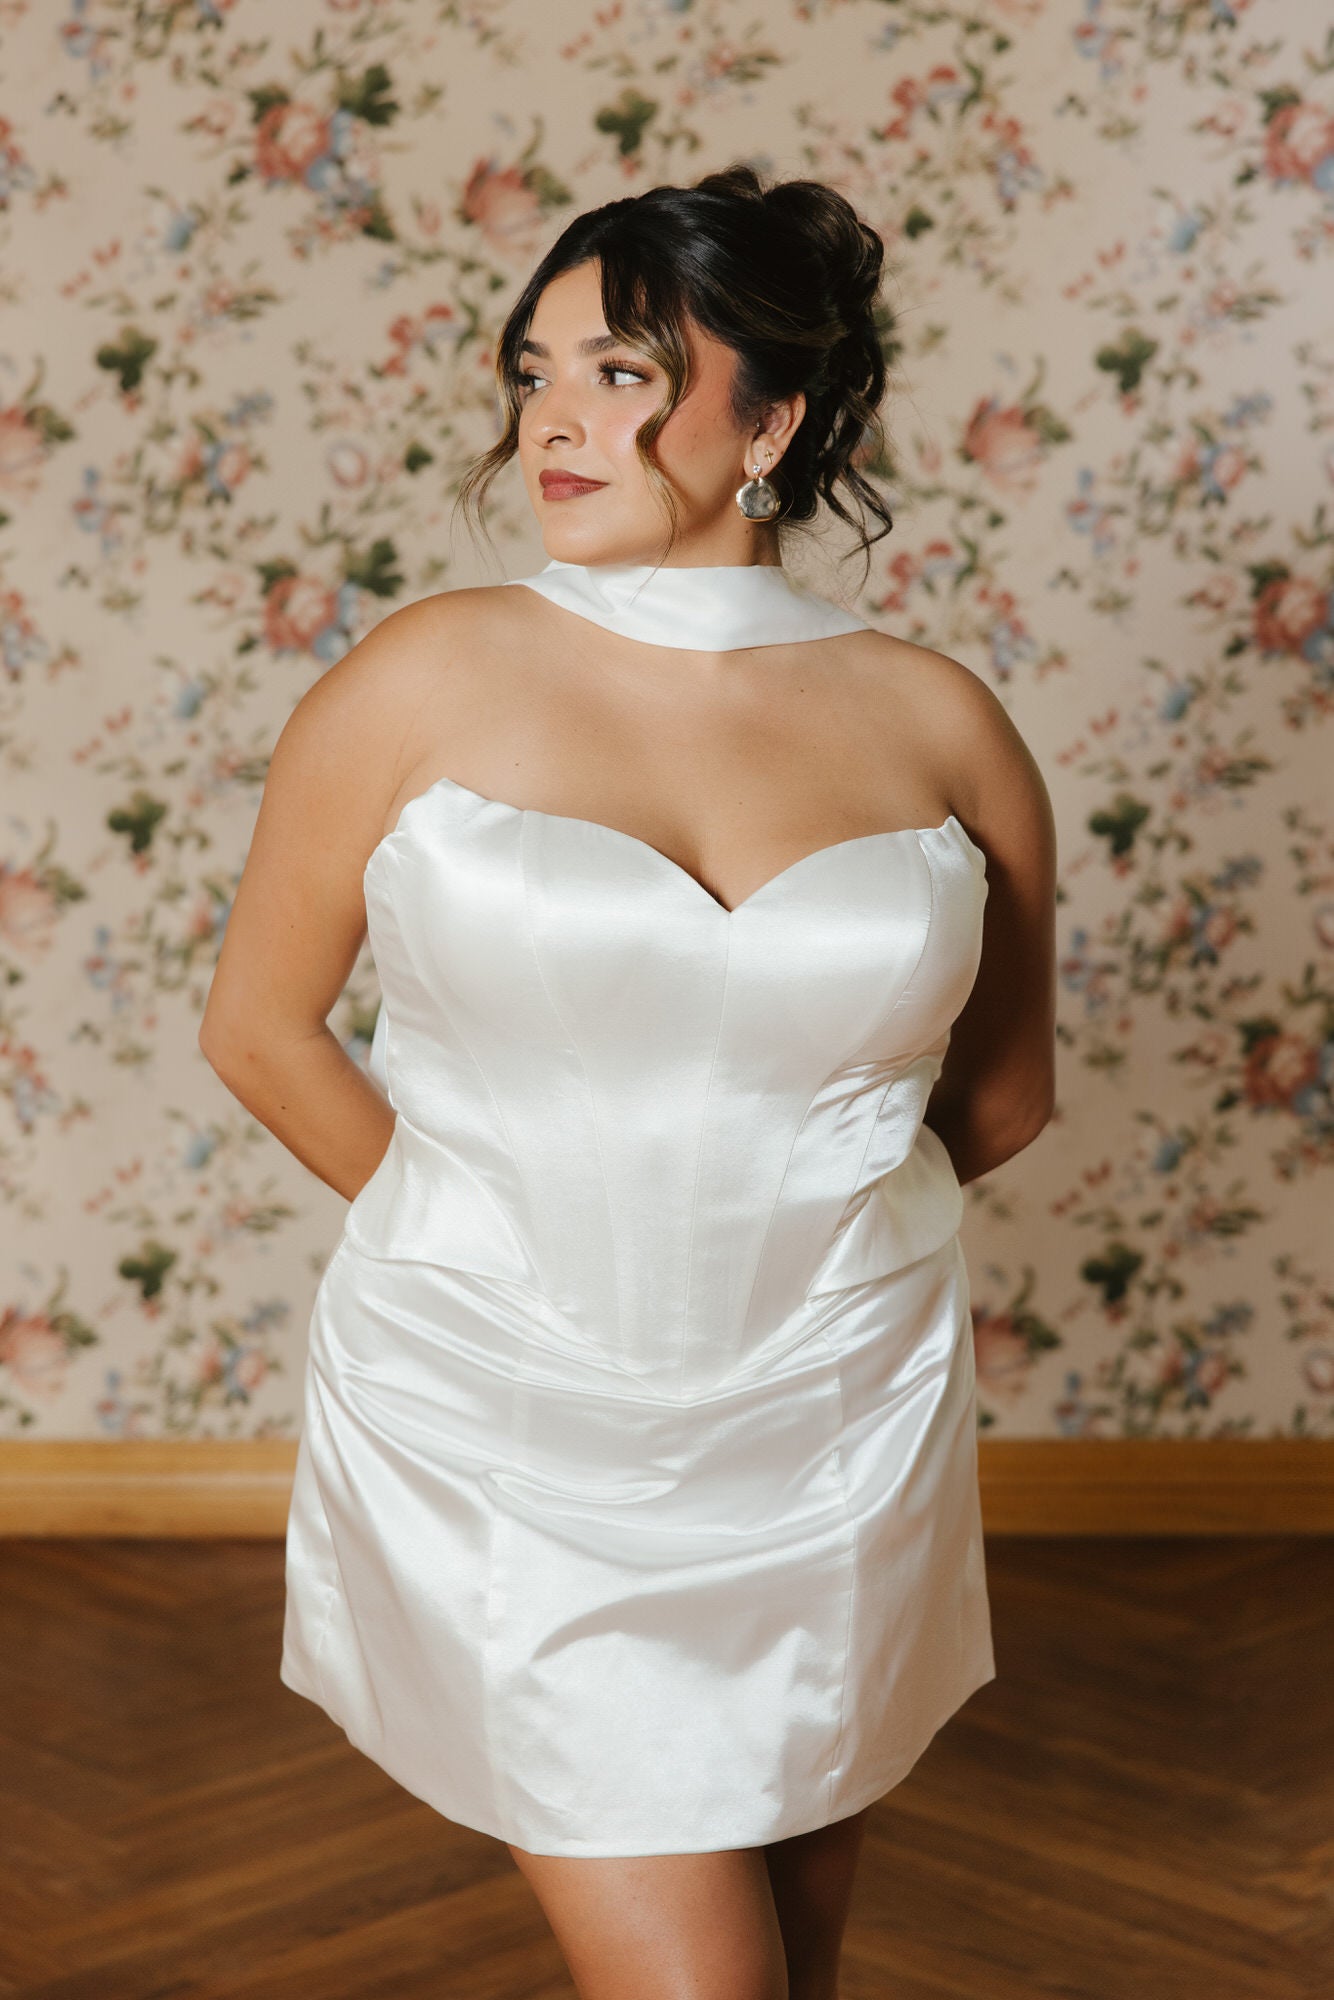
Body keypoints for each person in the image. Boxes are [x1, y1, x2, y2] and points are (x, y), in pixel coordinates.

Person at [199, 163, 1056, 2000]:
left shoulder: (938, 721)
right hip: (508, 1408)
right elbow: (259, 1030)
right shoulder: (426, 675)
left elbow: (1001, 1098)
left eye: (621, 373)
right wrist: (486, 1246)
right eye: (534, 374)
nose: (554, 422)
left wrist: (805, 1249)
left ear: (775, 422)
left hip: (833, 1421)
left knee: (790, 1963)